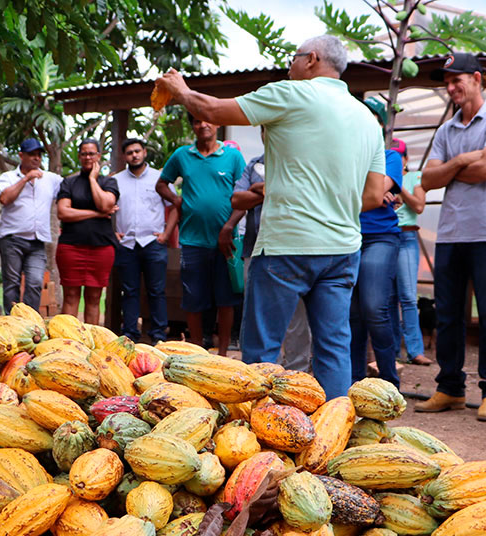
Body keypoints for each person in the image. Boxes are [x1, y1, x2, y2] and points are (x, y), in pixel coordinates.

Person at [155, 34, 386, 398]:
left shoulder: (292, 94)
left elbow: (212, 111)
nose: (289, 67)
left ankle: (253, 440)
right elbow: (374, 194)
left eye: (293, 59)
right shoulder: (367, 119)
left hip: (287, 246)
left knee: (262, 352)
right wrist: (329, 206)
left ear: (311, 59)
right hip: (342, 249)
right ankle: (334, 433)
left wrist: (179, 89)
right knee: (333, 348)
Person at [414, 52, 486, 421]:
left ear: (476, 77)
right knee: (448, 314)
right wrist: (460, 162)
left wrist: (449, 169)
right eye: (447, 82)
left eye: (457, 80)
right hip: (452, 232)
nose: (451, 87)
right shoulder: (446, 130)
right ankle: (450, 387)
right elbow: (428, 179)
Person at [222, 129, 313, 371]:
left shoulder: (301, 161)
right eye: (265, 129)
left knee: (297, 316)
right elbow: (237, 200)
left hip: (294, 248)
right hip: (256, 247)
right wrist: (271, 188)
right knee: (257, 313)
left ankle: (297, 371)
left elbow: (300, 196)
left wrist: (259, 189)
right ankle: (259, 373)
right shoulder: (254, 164)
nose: (270, 133)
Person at [155, 113, 245, 356]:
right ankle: (198, 352)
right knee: (193, 300)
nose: (203, 124)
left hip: (226, 242)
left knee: (226, 301)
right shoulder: (183, 155)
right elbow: (162, 183)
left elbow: (244, 195)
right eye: (196, 121)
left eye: (207, 120)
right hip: (192, 242)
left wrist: (228, 227)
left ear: (217, 123)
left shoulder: (233, 156)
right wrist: (176, 200)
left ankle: (223, 354)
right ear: (193, 126)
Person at [350, 98, 404, 388]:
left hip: (380, 238)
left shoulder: (390, 156)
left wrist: (368, 192)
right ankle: (356, 384)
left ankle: (389, 382)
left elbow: (371, 192)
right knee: (353, 315)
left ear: (381, 125)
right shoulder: (346, 157)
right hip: (348, 238)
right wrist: (371, 193)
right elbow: (364, 194)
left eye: (372, 117)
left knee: (374, 308)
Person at [55, 139, 120, 325]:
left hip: (101, 248)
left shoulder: (109, 182)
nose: (87, 157)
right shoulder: (69, 182)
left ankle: (91, 343)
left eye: (91, 153)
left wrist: (93, 179)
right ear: (79, 156)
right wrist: (97, 213)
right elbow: (63, 212)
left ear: (99, 156)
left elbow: (105, 203)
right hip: (70, 247)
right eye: (83, 154)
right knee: (71, 295)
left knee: (94, 297)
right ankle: (68, 342)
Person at [113, 137, 171, 344]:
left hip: (153, 243)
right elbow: (107, 207)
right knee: (129, 292)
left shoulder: (160, 178)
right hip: (127, 244)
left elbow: (174, 206)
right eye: (129, 153)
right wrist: (113, 231)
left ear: (144, 152)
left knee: (156, 291)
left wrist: (166, 233)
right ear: (124, 156)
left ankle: (158, 336)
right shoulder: (116, 180)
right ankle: (130, 335)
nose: (134, 155)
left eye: (137, 151)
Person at [0, 138, 62, 314]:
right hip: (12, 239)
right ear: (21, 155)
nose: (36, 158)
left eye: (39, 155)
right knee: (12, 284)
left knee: (34, 283)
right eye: (32, 154)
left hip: (37, 241)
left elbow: (71, 189)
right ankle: (11, 323)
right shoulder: (8, 177)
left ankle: (29, 323)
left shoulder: (51, 179)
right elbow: (4, 199)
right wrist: (26, 179)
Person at [391, 138, 430, 367]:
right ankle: (394, 350)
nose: (397, 160)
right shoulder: (382, 177)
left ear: (406, 159)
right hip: (385, 238)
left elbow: (418, 206)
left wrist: (399, 185)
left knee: (407, 296)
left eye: (400, 157)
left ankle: (415, 350)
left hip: (406, 237)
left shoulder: (416, 177)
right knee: (388, 299)